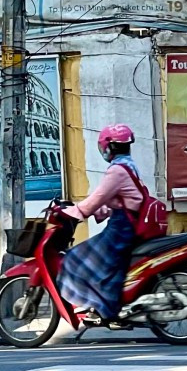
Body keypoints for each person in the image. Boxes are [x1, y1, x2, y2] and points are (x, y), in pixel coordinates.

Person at [57, 124, 145, 322]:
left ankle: (104, 309)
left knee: (74, 258)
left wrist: (73, 213)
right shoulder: (128, 165)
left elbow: (98, 197)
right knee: (105, 264)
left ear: (109, 147)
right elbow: (116, 198)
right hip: (124, 222)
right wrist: (97, 210)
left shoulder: (117, 171)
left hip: (121, 228)